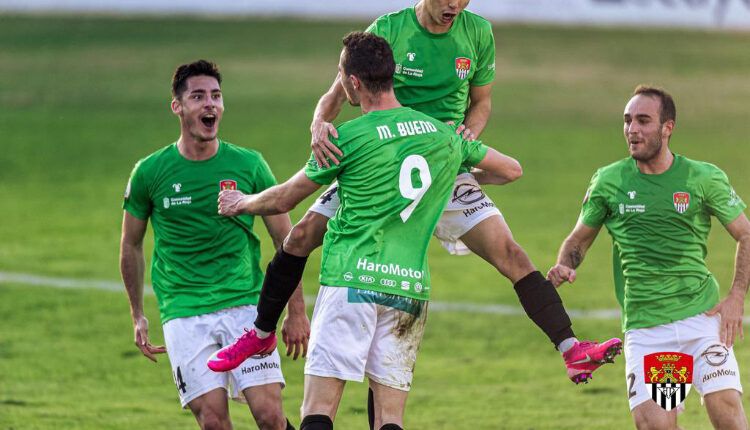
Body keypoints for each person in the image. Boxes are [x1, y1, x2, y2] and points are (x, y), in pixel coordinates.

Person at [211, 0, 621, 399]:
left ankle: (572, 350)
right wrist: (319, 124)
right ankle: (262, 335)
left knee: (511, 254)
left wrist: (468, 136)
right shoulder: (387, 29)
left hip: (443, 159)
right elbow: (336, 94)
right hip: (381, 161)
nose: (454, 6)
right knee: (299, 236)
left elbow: (481, 103)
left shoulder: (478, 32)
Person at [209, 31, 528, 430]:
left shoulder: (349, 138)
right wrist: (450, 175)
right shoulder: (442, 134)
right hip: (408, 291)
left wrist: (243, 202)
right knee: (389, 420)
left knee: (318, 412)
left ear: (353, 83)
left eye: (340, 76)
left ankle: (260, 331)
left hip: (351, 282)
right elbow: (512, 169)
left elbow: (286, 199)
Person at [119, 60, 308, 430]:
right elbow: (131, 244)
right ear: (177, 106)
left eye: (216, 96)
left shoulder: (249, 165)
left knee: (270, 416)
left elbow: (286, 240)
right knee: (213, 422)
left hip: (246, 305)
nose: (210, 105)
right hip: (184, 310)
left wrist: (296, 311)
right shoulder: (150, 172)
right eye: (198, 96)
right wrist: (137, 313)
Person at [548, 85, 749, 429]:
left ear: (667, 128)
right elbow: (578, 240)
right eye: (627, 121)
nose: (632, 129)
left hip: (702, 320)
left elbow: (746, 233)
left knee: (726, 411)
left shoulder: (702, 178)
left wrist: (736, 298)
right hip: (649, 329)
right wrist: (565, 263)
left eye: (643, 120)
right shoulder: (610, 181)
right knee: (658, 425)